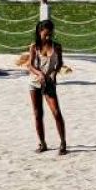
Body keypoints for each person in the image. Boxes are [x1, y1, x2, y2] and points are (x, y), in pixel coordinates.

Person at [16, 19, 68, 154]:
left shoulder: (56, 46)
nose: (48, 37)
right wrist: (39, 73)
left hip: (49, 82)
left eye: (50, 34)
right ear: (40, 32)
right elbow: (30, 65)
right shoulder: (34, 47)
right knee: (38, 114)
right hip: (34, 83)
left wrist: (53, 73)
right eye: (46, 34)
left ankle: (63, 143)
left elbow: (60, 63)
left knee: (56, 112)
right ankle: (43, 143)